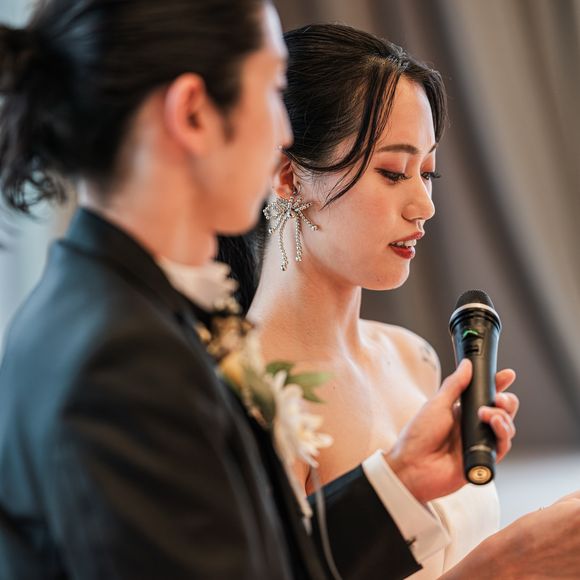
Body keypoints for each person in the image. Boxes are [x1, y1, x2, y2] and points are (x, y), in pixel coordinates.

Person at [218, 23, 580, 579]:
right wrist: (509, 562)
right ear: (287, 176)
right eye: (393, 172)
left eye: (427, 173)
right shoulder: (251, 397)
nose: (424, 205)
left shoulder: (414, 357)